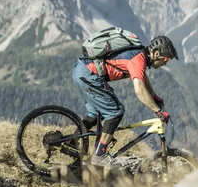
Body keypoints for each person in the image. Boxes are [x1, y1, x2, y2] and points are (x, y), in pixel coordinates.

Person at [72, 35, 178, 167]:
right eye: (165, 59)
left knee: (95, 115)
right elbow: (139, 90)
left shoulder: (140, 55)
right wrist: (158, 111)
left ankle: (72, 141)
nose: (165, 63)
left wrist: (154, 95)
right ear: (156, 53)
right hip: (89, 75)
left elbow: (143, 77)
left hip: (82, 71)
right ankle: (99, 155)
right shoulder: (138, 59)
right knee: (116, 112)